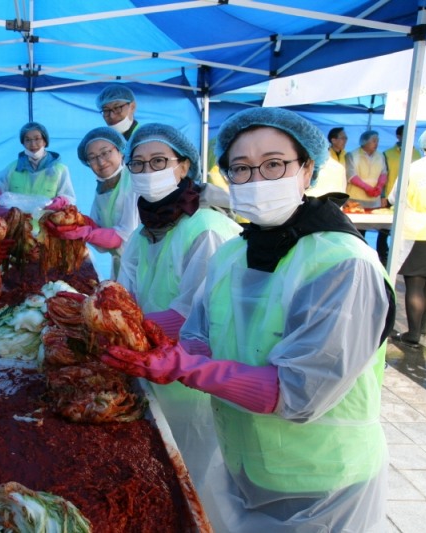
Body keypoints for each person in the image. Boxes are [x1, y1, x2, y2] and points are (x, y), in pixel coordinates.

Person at [101, 108, 395, 532]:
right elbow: (199, 336)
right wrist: (164, 352)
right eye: (240, 168)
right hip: (244, 465)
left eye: (274, 164)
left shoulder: (344, 265)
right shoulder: (233, 255)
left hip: (324, 482)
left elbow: (300, 392)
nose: (257, 179)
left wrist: (185, 367)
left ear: (307, 169)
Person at [115, 123, 241, 491]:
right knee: (161, 473)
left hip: (194, 383)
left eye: (158, 161)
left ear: (184, 166)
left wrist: (115, 329)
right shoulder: (144, 234)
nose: (147, 171)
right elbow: (125, 299)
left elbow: (191, 318)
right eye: (138, 164)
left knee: (195, 482)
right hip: (151, 368)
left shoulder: (207, 230)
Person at [53, 126, 139, 279]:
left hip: (143, 266)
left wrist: (87, 233)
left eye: (105, 152)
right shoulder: (103, 187)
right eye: (92, 158)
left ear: (120, 151)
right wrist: (78, 220)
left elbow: (126, 235)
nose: (100, 161)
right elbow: (100, 235)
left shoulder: (134, 183)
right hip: (122, 268)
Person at [389, 129, 426, 348]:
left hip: (416, 231)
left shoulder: (413, 168)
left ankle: (413, 332)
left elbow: (394, 197)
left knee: (415, 282)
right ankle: (422, 327)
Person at [0, 121, 75, 217]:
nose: (33, 144)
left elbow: (69, 198)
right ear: (23, 143)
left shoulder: (60, 170)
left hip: (47, 224)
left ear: (45, 141)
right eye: (28, 140)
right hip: (18, 224)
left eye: (37, 139)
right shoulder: (13, 168)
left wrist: (60, 202)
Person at [380, 125, 422, 266]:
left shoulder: (417, 153)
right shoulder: (387, 153)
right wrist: (383, 195)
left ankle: (403, 258)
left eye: (414, 132)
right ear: (398, 136)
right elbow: (383, 175)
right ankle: (383, 256)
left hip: (411, 200)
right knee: (384, 229)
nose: (411, 135)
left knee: (405, 229)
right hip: (390, 195)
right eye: (407, 133)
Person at [346, 129, 389, 262]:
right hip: (356, 199)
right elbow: (351, 175)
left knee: (379, 228)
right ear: (364, 142)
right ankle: (355, 256)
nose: (377, 143)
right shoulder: (352, 155)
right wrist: (367, 188)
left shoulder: (380, 155)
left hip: (374, 199)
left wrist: (379, 187)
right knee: (357, 230)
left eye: (377, 140)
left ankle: (377, 256)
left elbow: (384, 173)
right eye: (374, 141)